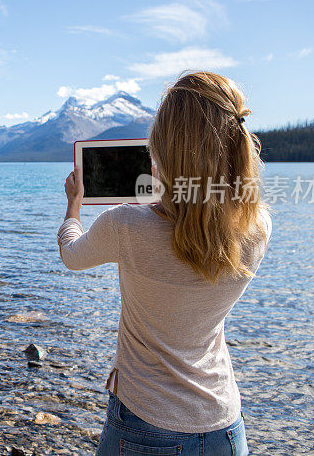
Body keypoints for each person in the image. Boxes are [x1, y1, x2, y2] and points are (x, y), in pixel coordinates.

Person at [58, 71, 271, 456]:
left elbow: (72, 255)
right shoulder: (257, 229)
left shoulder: (126, 224)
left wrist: (74, 206)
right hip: (225, 426)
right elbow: (204, 212)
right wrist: (174, 189)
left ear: (162, 148)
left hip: (144, 426)